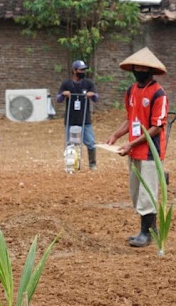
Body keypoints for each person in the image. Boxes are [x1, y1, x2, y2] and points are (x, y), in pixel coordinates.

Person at [106, 47, 169, 248]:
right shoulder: (131, 91)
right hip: (133, 150)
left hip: (150, 151)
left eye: (143, 67)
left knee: (147, 191)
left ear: (150, 71)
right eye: (137, 67)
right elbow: (131, 119)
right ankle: (150, 229)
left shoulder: (158, 94)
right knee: (135, 191)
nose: (139, 70)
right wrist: (116, 135)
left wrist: (131, 143)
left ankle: (146, 233)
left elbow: (156, 128)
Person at [56, 60, 99, 170]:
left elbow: (96, 98)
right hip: (71, 119)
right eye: (81, 70)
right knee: (70, 143)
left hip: (85, 119)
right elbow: (58, 99)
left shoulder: (88, 83)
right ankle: (72, 164)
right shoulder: (66, 84)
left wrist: (92, 94)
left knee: (90, 142)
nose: (83, 72)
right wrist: (63, 94)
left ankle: (92, 164)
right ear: (74, 71)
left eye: (84, 69)